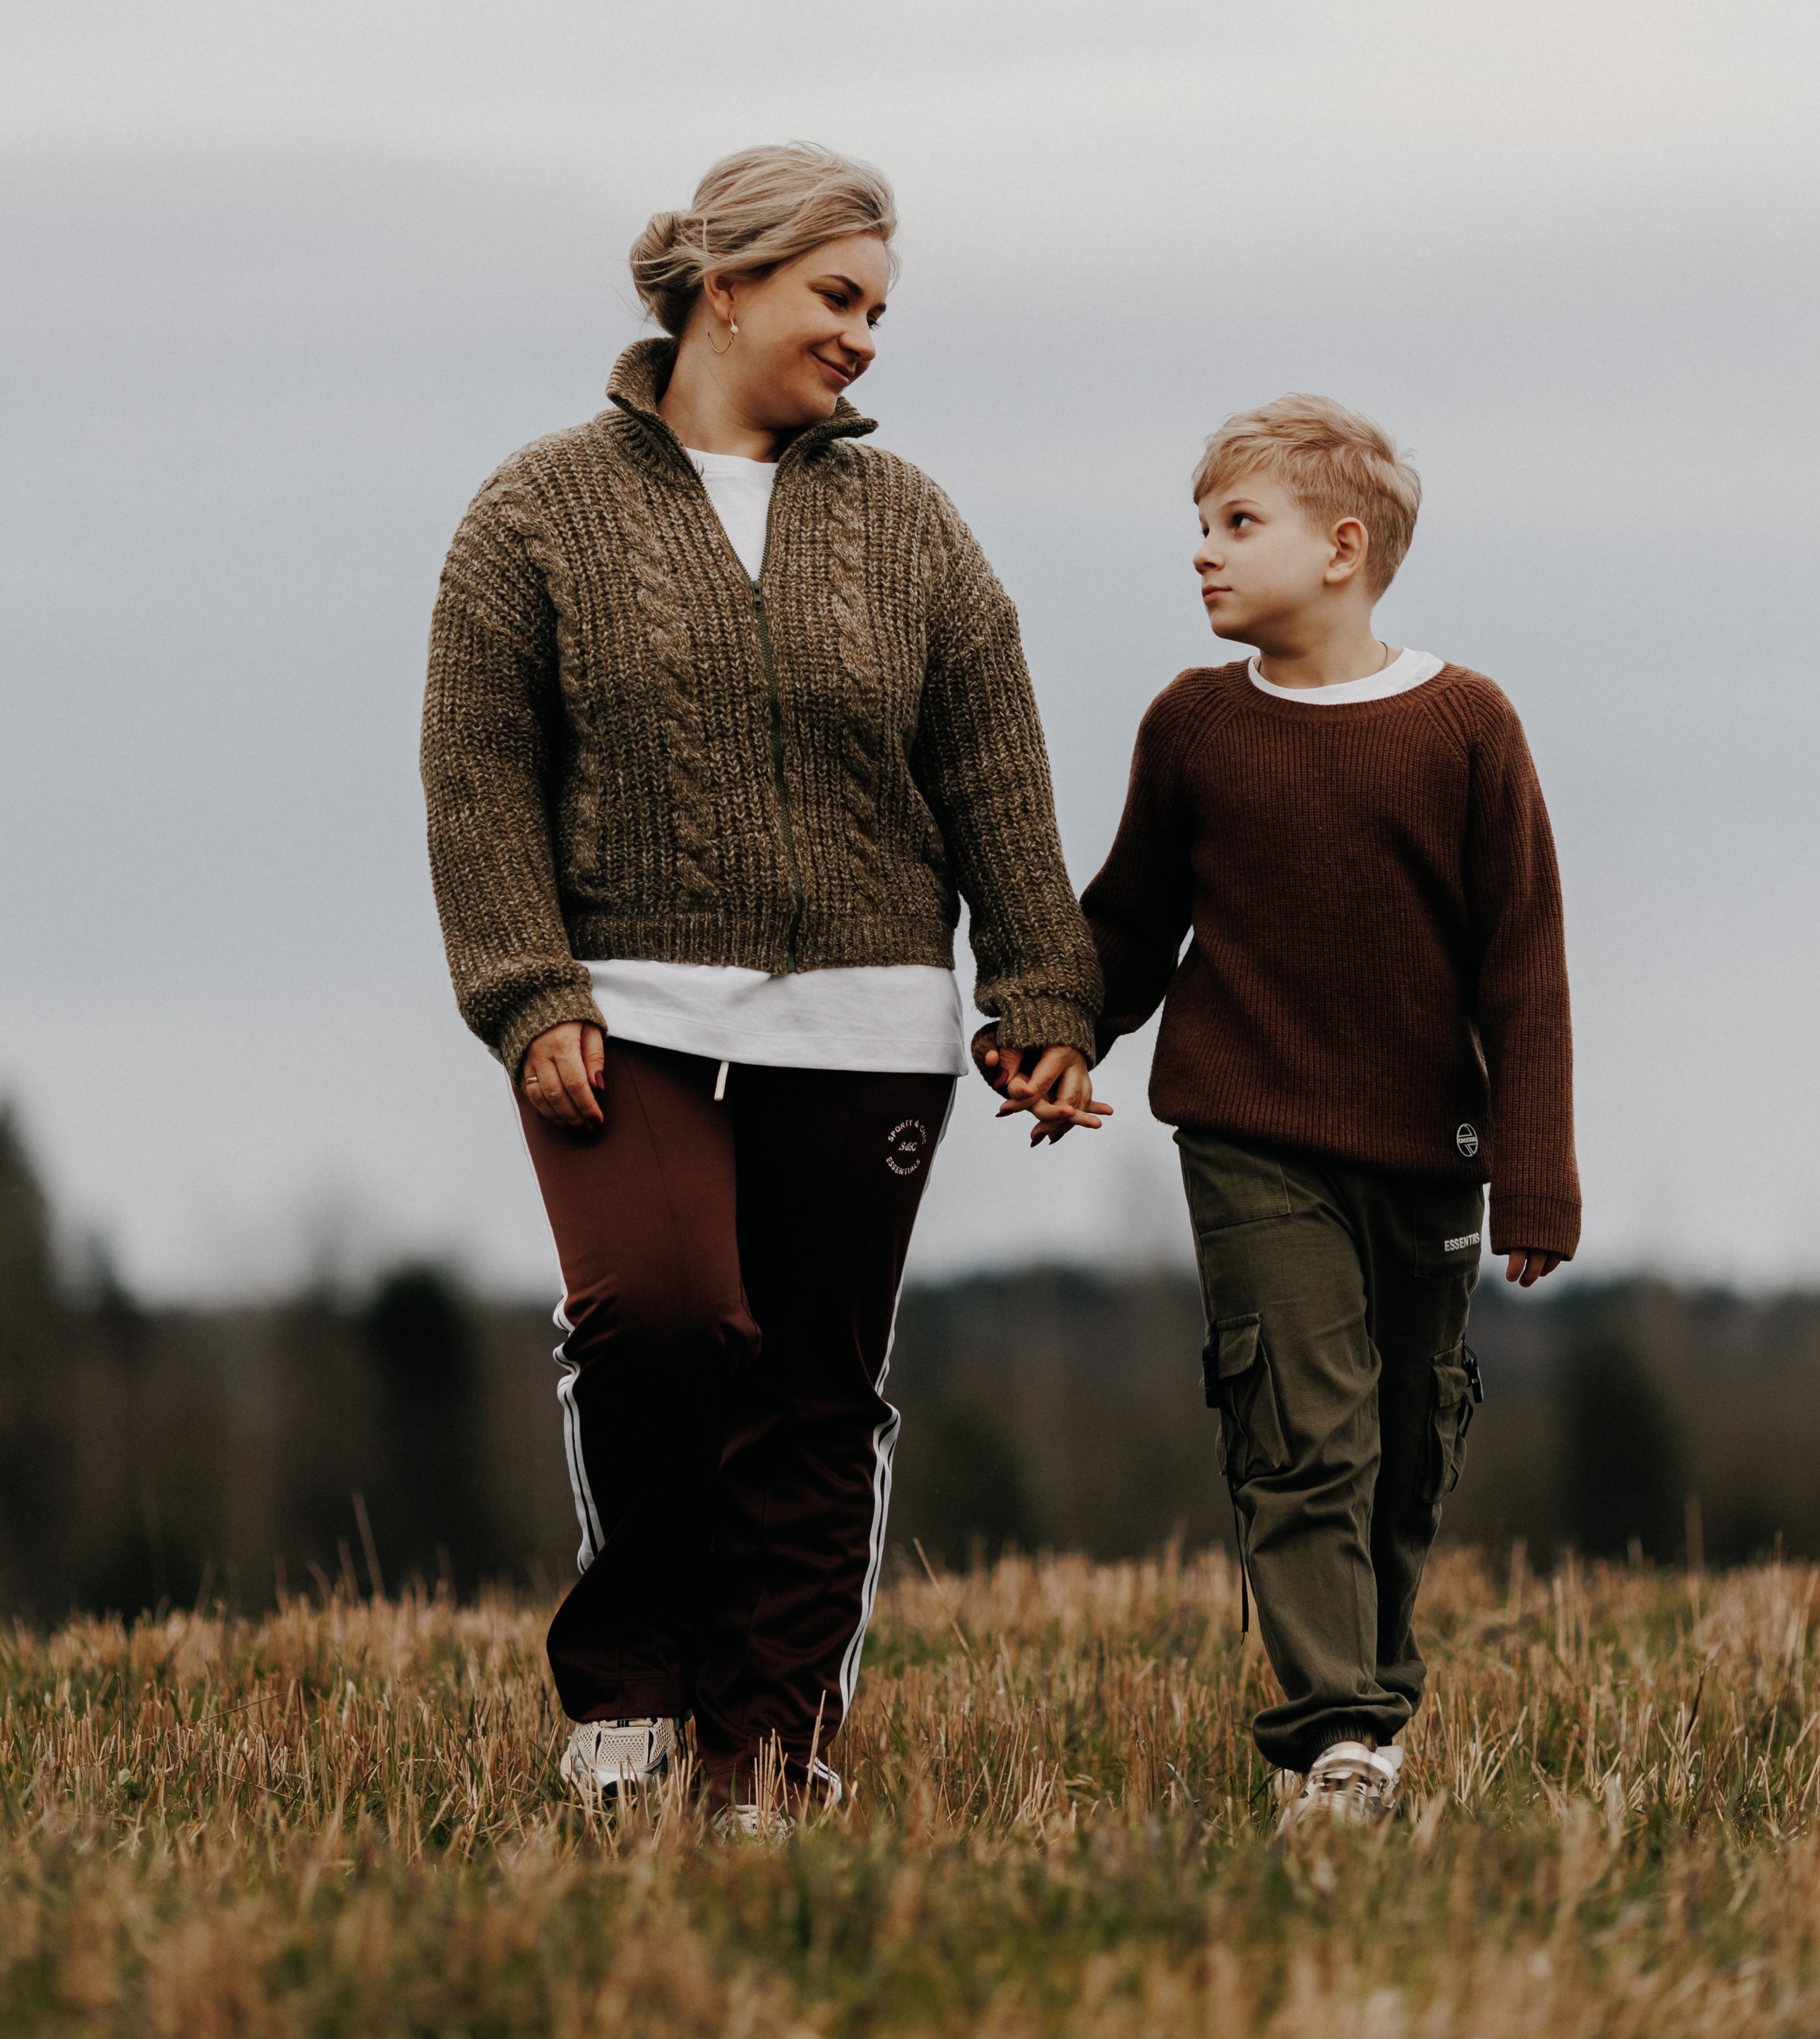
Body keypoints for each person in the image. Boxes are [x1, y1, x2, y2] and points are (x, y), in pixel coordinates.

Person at [421, 143, 1104, 1829]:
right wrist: (527, 991)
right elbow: (478, 772)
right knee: (656, 1320)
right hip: (621, 1013)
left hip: (867, 1020)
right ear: (722, 287)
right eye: (835, 296)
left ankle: (772, 1749)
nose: (864, 336)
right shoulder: (536, 510)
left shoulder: (910, 524)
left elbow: (992, 769)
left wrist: (1041, 994)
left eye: (877, 307)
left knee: (812, 1392)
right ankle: (631, 1686)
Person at [983, 393, 1579, 1833]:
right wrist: (1053, 1034)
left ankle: (1366, 1692)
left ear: (1342, 548)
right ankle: (1337, 1741)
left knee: (1406, 1436)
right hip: (1245, 1134)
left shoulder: (1463, 725)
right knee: (1299, 1429)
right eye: (1198, 526)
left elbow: (1521, 964)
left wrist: (1533, 1178)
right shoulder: (1192, 728)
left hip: (1425, 1156)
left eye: (1234, 525)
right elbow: (1124, 922)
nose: (1200, 554)